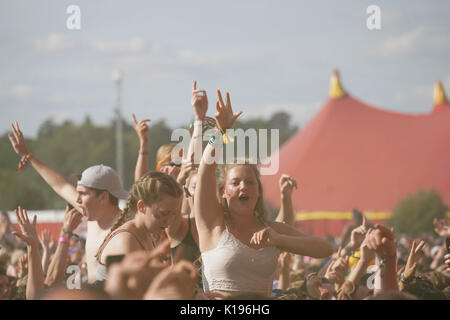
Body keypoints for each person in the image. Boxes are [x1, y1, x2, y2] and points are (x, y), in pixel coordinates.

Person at [194, 89, 334, 298]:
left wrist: (278, 240)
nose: (244, 187)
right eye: (236, 182)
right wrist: (219, 132)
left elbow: (325, 250)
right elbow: (205, 168)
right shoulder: (212, 224)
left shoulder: (271, 231)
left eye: (250, 182)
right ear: (223, 192)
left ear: (258, 192)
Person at [8, 122, 128, 283]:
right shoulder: (94, 212)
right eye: (77, 193)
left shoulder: (128, 227)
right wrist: (27, 156)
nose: (77, 200)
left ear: (103, 197)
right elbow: (60, 185)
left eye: (83, 194)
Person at [94, 171, 183, 283]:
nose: (169, 221)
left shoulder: (148, 234)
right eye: (164, 213)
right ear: (142, 207)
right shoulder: (126, 240)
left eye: (173, 213)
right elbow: (133, 292)